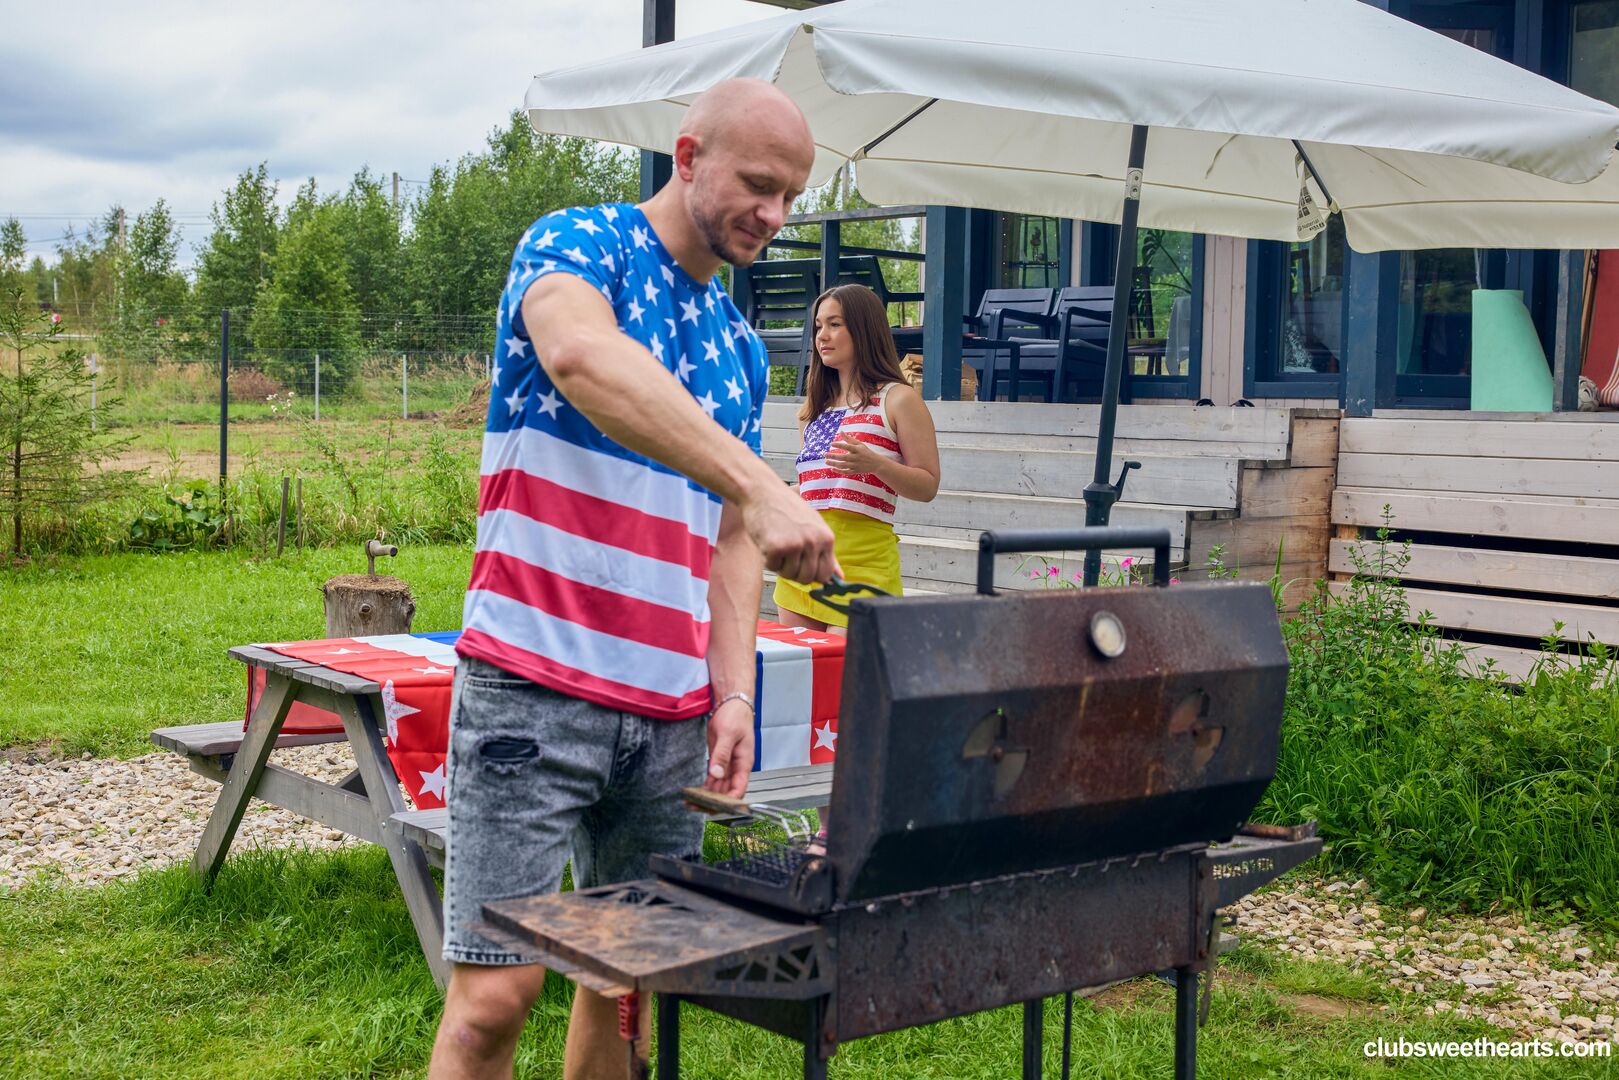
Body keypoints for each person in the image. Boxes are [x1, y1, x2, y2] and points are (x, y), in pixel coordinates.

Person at [429, 79, 838, 1080]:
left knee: (626, 993)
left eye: (790, 196)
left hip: (669, 718)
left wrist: (732, 694)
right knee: (492, 1002)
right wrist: (764, 484)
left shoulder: (741, 348)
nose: (773, 215)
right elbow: (580, 355)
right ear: (687, 155)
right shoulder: (579, 245)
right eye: (757, 184)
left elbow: (731, 540)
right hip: (531, 687)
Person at [773, 284, 940, 633]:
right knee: (803, 668)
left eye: (835, 324)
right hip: (804, 564)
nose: (822, 336)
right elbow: (816, 489)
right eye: (818, 326)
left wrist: (875, 464)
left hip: (866, 568)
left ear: (864, 330)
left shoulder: (898, 399)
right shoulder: (812, 410)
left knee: (844, 668)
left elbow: (927, 486)